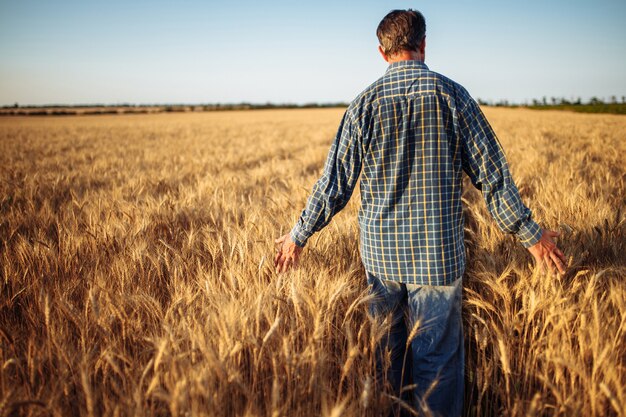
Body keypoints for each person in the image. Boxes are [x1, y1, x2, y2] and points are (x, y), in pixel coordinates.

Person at [274, 9, 567, 417]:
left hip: (381, 260)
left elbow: (333, 186)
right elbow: (493, 176)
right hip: (438, 257)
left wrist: (297, 236)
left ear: (381, 52)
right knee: (438, 365)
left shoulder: (363, 106)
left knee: (388, 363)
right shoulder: (454, 96)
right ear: (424, 44)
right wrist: (531, 236)